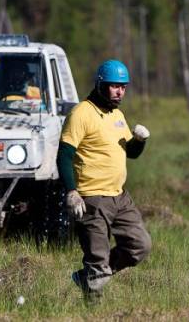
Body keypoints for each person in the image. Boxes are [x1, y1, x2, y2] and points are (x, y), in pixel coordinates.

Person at [56, 59, 151, 300]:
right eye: (114, 86)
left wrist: (139, 141)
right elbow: (64, 156)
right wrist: (72, 192)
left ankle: (88, 277)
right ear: (100, 85)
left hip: (120, 197)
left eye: (124, 87)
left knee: (140, 246)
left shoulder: (117, 115)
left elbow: (130, 153)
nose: (120, 91)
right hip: (92, 200)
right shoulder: (81, 113)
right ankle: (93, 303)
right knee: (97, 263)